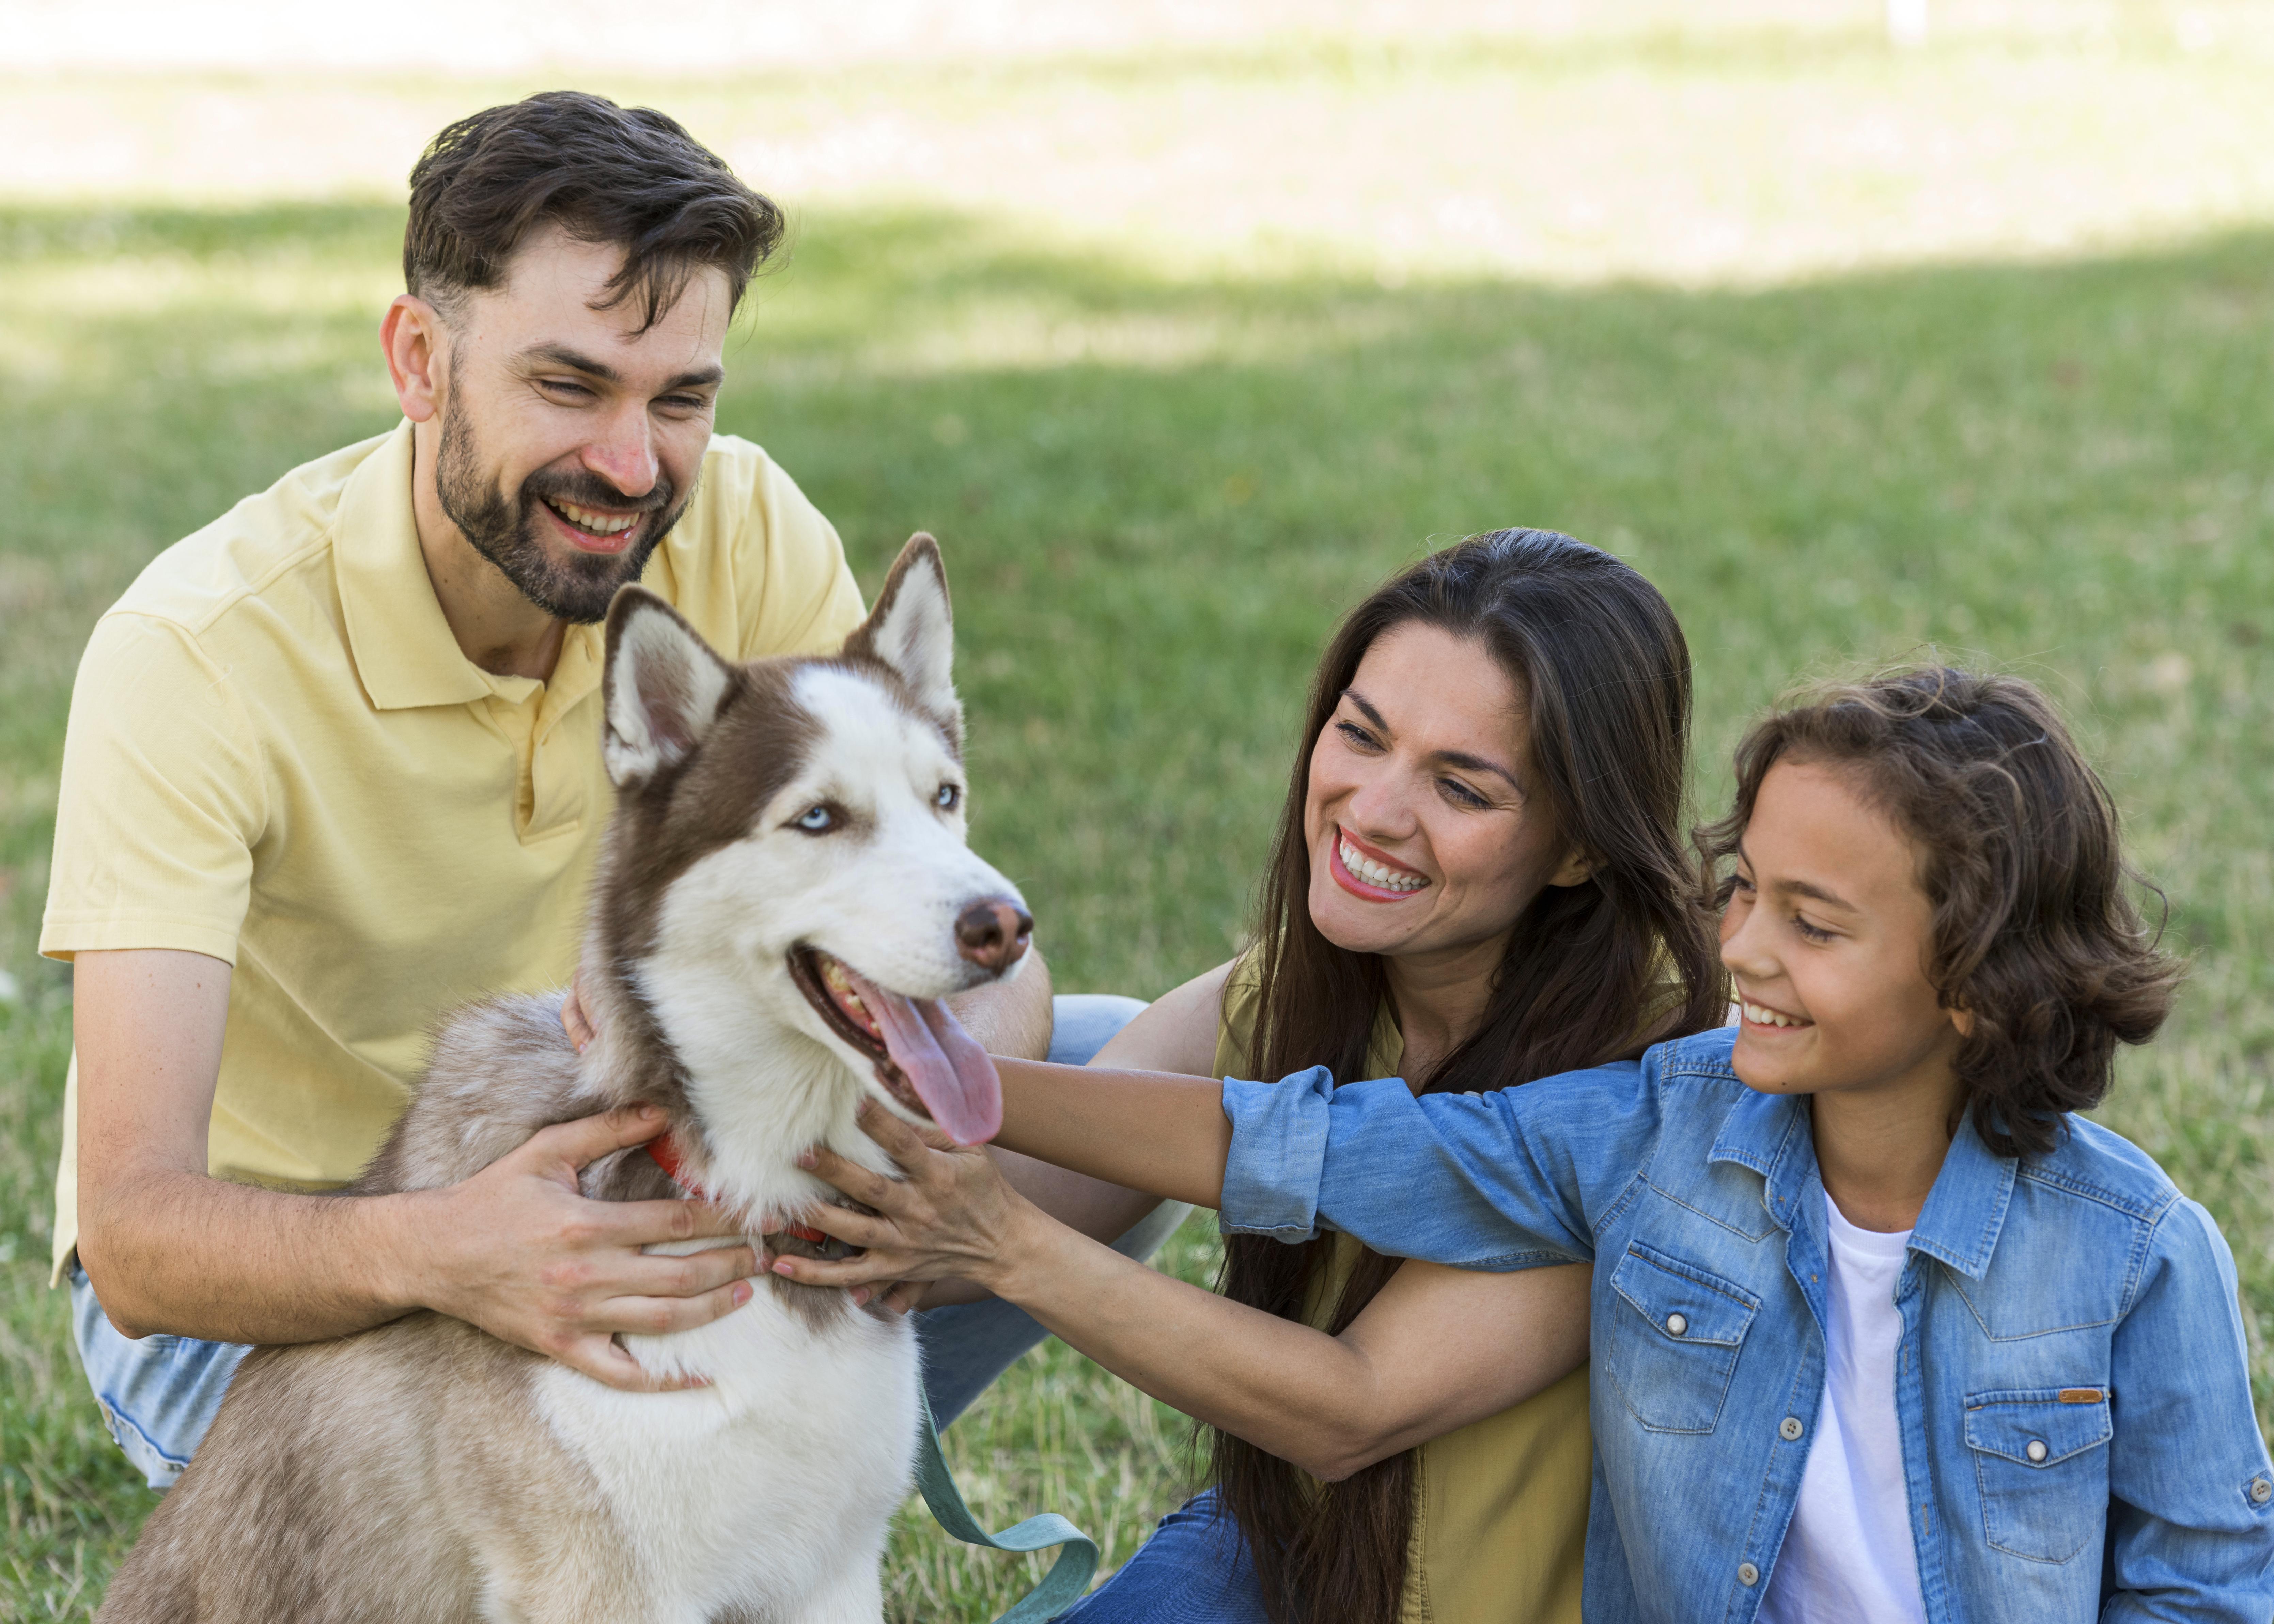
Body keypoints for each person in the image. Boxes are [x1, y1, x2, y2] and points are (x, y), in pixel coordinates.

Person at [42, 90, 1167, 1493]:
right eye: (568, 385)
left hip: (690, 1177)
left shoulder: (746, 526)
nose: (632, 468)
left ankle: (758, 1456)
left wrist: (904, 1138)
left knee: (1124, 1067)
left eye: (679, 398)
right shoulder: (197, 655)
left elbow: (936, 932)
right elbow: (142, 1239)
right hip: (307, 1285)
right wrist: (450, 1248)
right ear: (417, 359)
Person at [789, 667, 2274, 1620]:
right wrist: (931, 1078)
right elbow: (1324, 1152)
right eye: (1742, 885)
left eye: (1811, 923)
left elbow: (2209, 1594)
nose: (1742, 943)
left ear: (1973, 982)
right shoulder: (1663, 1128)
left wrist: (1002, 1225)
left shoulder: (2135, 1257)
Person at [782, 530, 1730, 1623]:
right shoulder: (1296, 987)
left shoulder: (1651, 1083)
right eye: (1359, 735)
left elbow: (1353, 1409)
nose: (1371, 810)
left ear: (1579, 848)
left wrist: (999, 1237)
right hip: (1294, 1553)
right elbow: (1012, 1192)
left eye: (1461, 789)